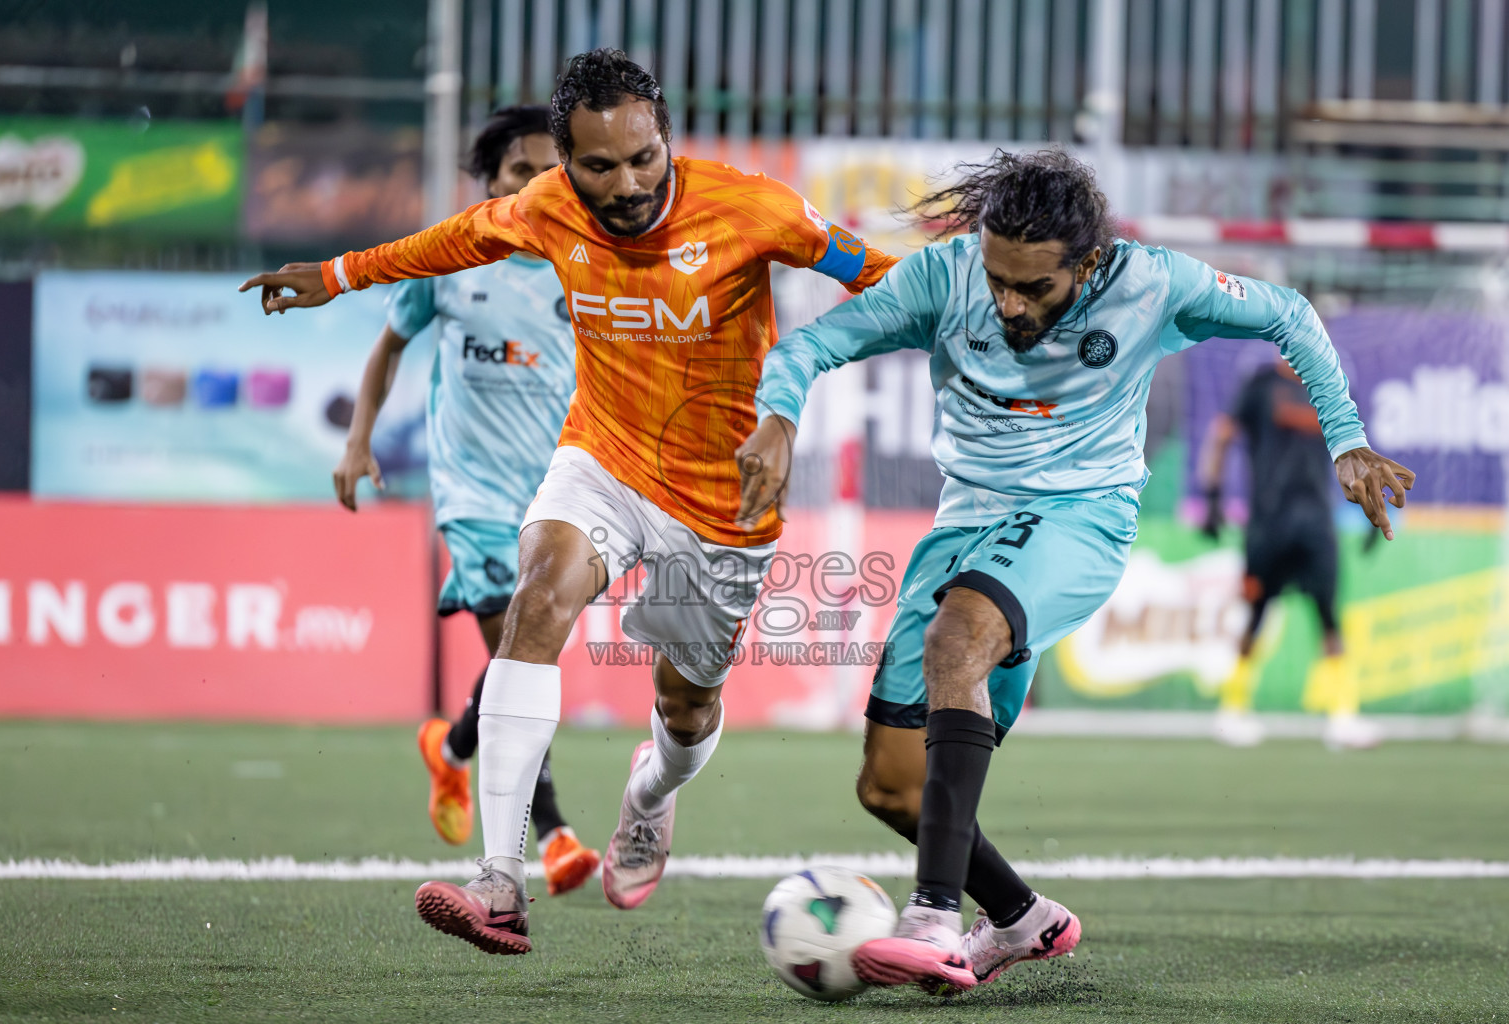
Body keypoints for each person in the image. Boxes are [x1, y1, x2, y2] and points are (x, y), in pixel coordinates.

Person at [239, 48, 895, 956]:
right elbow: (455, 239)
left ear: (666, 138)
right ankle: (500, 881)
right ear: (564, 160)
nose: (626, 184)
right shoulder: (548, 208)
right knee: (534, 603)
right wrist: (342, 274)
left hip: (720, 500)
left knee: (687, 710)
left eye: (643, 159)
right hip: (603, 459)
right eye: (598, 166)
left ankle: (649, 799)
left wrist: (976, 336)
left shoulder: (756, 207)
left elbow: (892, 286)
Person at [736, 150, 1414, 994]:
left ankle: (933, 919)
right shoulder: (944, 280)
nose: (1009, 303)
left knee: (959, 640)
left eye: (1034, 288)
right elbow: (809, 347)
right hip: (966, 524)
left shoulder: (1152, 284)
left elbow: (1290, 314)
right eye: (997, 280)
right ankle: (1020, 918)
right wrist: (779, 417)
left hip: (1081, 518)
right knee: (891, 788)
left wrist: (1345, 435)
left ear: (1088, 263)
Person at [332, 105, 602, 894]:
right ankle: (552, 835)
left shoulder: (581, 261)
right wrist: (359, 439)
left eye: (553, 171)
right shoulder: (451, 261)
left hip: (558, 486)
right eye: (523, 171)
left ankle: (451, 750)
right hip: (474, 491)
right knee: (514, 648)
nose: (540, 184)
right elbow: (389, 347)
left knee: (527, 651)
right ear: (489, 182)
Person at [1199, 356, 1384, 750]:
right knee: (1254, 616)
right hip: (1268, 524)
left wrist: (1373, 509)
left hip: (1316, 523)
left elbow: (1355, 454)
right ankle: (1231, 711)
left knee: (1330, 618)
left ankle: (1342, 717)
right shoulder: (1260, 387)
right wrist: (1212, 497)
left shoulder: (1328, 390)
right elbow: (1221, 434)